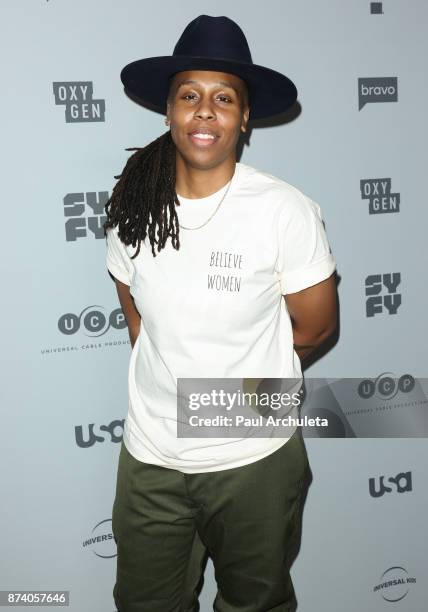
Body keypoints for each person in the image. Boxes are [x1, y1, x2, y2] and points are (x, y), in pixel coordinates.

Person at [104, 14, 337, 612]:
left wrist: (224, 406)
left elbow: (314, 330)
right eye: (190, 96)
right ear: (169, 112)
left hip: (255, 459)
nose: (205, 112)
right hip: (151, 458)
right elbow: (139, 323)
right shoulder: (133, 207)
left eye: (223, 98)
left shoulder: (284, 211)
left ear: (243, 118)